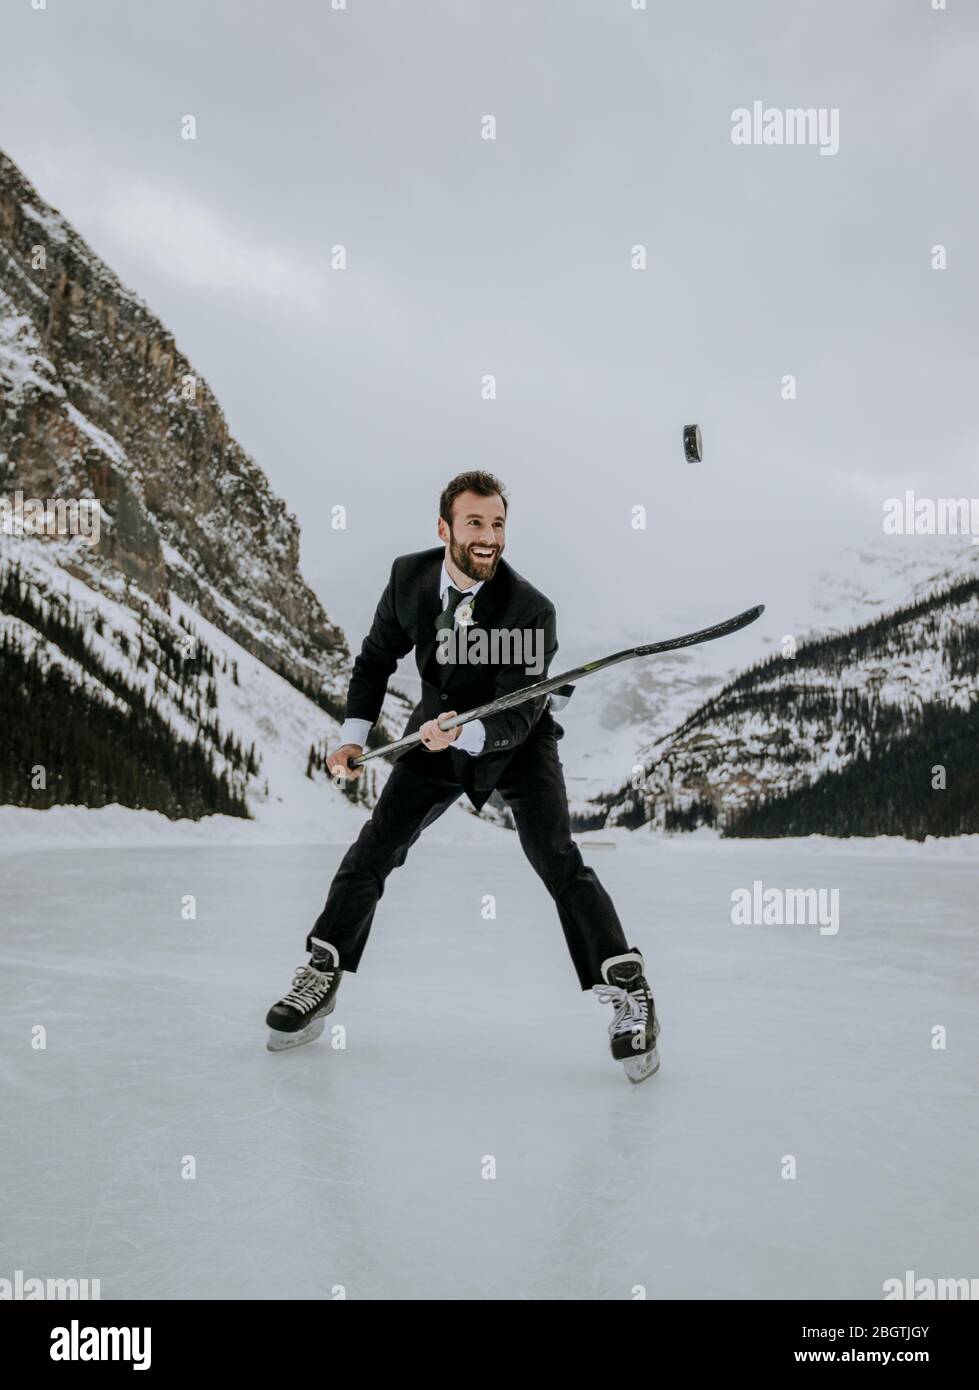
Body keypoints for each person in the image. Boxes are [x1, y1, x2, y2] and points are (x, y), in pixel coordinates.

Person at [266, 470, 660, 1082]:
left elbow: (521, 705)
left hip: (517, 739)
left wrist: (468, 732)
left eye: (498, 524)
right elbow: (374, 661)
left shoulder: (531, 609)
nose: (488, 537)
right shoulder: (408, 579)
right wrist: (351, 739)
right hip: (433, 736)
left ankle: (628, 988)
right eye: (475, 523)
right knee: (376, 845)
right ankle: (323, 969)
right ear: (444, 527)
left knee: (556, 855)